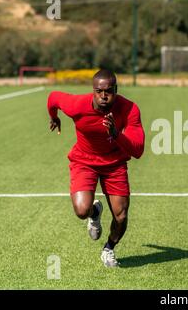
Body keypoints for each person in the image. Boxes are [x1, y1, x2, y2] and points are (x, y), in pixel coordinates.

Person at [47, 69, 145, 267]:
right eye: (99, 91)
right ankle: (94, 213)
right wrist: (54, 117)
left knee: (121, 215)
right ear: (93, 91)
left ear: (116, 90)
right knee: (82, 210)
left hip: (115, 163)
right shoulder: (76, 105)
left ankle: (109, 248)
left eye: (108, 91)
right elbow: (53, 98)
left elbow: (138, 150)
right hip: (84, 160)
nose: (103, 96)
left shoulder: (129, 109)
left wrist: (116, 134)